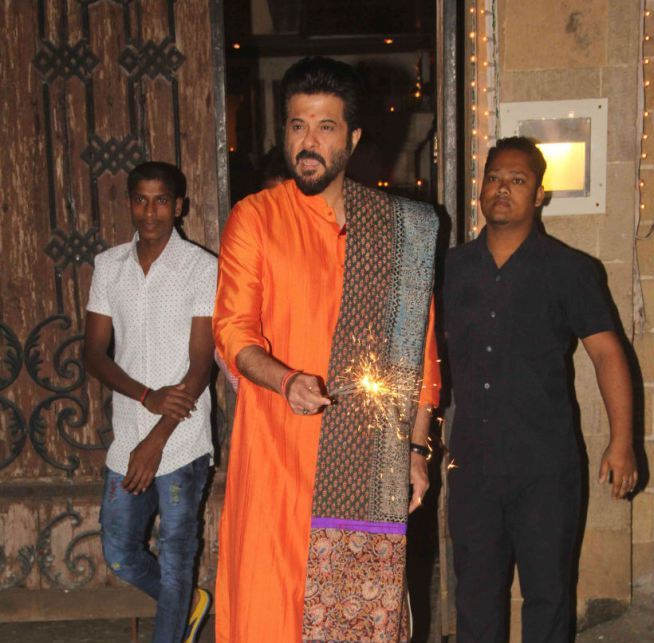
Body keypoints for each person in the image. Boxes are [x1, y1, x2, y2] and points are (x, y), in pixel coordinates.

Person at [213, 56, 441, 642]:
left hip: (365, 461)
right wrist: (285, 379)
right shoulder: (255, 218)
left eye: (325, 127)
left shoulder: (398, 228)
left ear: (354, 137)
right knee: (270, 610)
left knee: (355, 622)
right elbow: (234, 329)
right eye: (296, 126)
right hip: (274, 454)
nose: (307, 143)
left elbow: (420, 351)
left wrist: (416, 448)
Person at [443, 137, 638, 643]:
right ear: (480, 190)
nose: (502, 189)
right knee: (475, 598)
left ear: (540, 195)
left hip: (545, 467)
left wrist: (622, 442)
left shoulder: (570, 270)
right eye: (493, 178)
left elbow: (607, 353)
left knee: (548, 599)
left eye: (517, 180)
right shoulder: (451, 269)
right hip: (473, 468)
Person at [84, 161, 217, 643]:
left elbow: (201, 368)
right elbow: (92, 352)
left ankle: (176, 617)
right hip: (127, 436)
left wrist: (157, 440)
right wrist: (145, 397)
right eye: (141, 199)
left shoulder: (201, 268)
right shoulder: (109, 266)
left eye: (162, 200)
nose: (151, 211)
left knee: (179, 557)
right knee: (120, 551)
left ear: (179, 206)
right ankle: (189, 605)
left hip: (181, 441)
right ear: (130, 204)